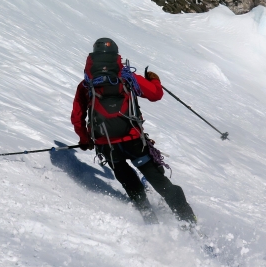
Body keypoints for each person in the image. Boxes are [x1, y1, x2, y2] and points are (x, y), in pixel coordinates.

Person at [71, 37, 196, 224]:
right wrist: (154, 79)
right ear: (116, 56)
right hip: (133, 141)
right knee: (159, 181)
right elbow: (156, 94)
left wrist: (85, 140)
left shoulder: (87, 85)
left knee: (129, 182)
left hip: (108, 145)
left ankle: (150, 221)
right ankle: (188, 220)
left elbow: (77, 117)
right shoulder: (126, 78)